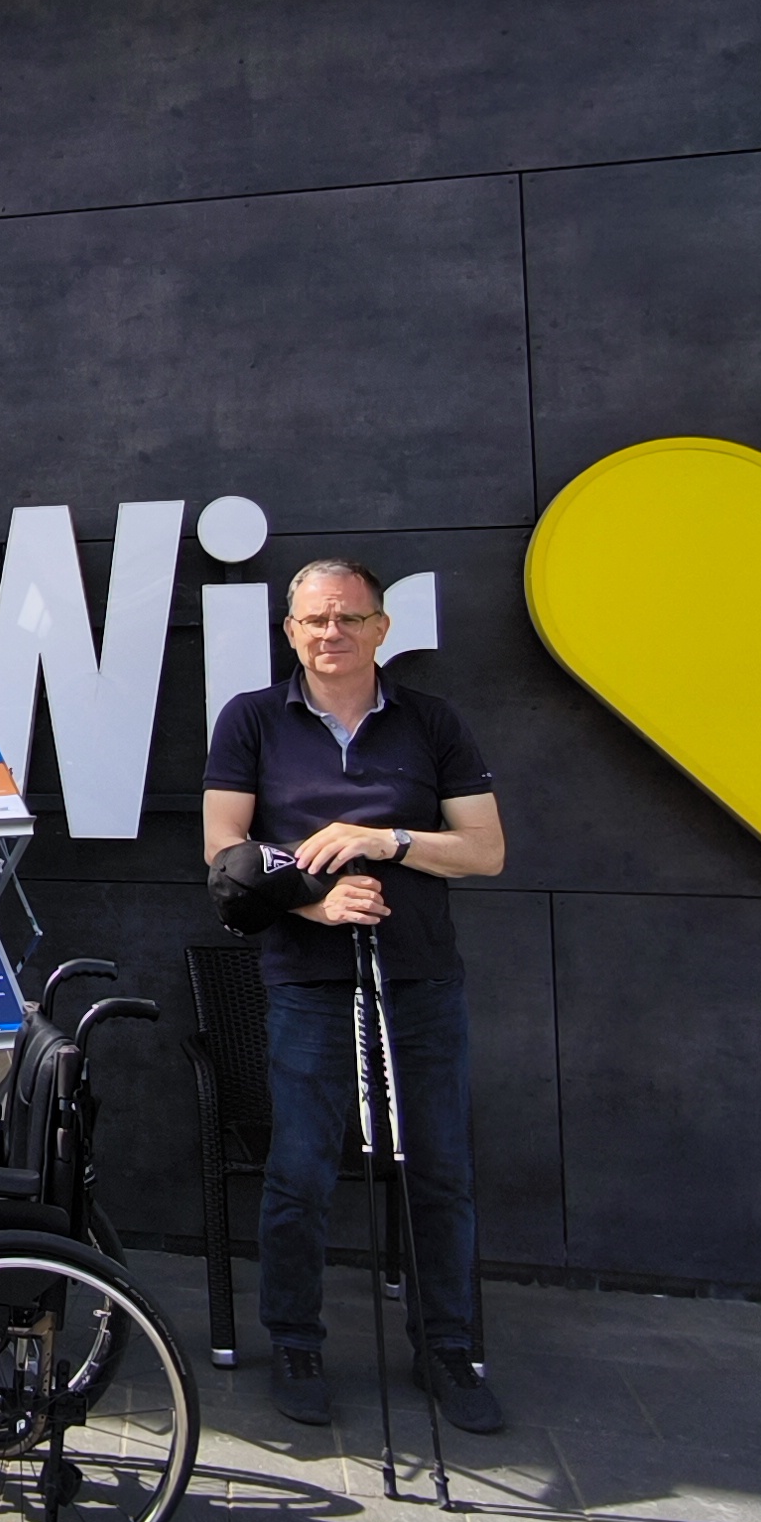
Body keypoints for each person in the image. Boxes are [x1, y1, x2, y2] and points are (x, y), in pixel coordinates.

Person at [204, 558, 507, 1431]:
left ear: (380, 627)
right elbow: (223, 851)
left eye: (347, 618)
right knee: (299, 1170)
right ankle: (295, 1338)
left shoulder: (431, 722)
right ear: (291, 632)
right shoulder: (253, 720)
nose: (329, 634)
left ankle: (449, 1346)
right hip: (306, 978)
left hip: (419, 975)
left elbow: (483, 850)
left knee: (440, 1168)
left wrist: (387, 842)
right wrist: (315, 896)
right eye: (312, 622)